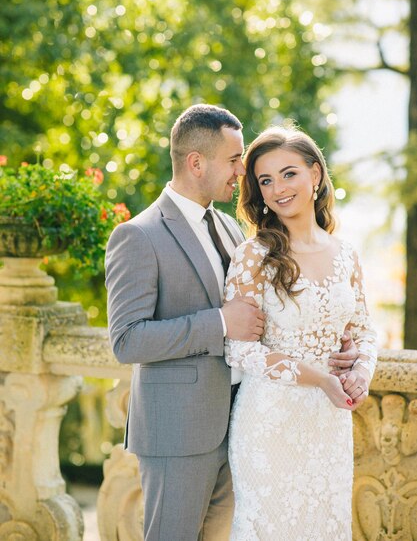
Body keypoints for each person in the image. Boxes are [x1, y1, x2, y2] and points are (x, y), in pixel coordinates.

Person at [105, 105, 359, 541]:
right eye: (233, 159)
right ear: (196, 162)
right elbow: (127, 341)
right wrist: (220, 322)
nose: (242, 171)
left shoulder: (228, 228)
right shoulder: (138, 235)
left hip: (240, 426)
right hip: (178, 435)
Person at [224, 125, 378, 541]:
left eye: (289, 173)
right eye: (266, 180)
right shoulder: (253, 256)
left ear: (315, 175)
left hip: (329, 426)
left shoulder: (345, 253)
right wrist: (320, 379)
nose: (278, 189)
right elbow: (240, 351)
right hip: (269, 423)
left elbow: (364, 331)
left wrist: (361, 372)